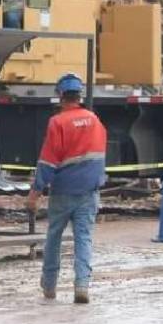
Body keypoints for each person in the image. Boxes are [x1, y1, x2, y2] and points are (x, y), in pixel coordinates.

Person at [27, 72, 107, 304]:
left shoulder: (58, 122)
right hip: (89, 191)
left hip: (63, 192)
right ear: (79, 96)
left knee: (54, 237)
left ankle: (50, 286)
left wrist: (35, 193)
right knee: (83, 238)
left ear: (61, 96)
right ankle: (81, 285)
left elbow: (48, 162)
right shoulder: (94, 120)